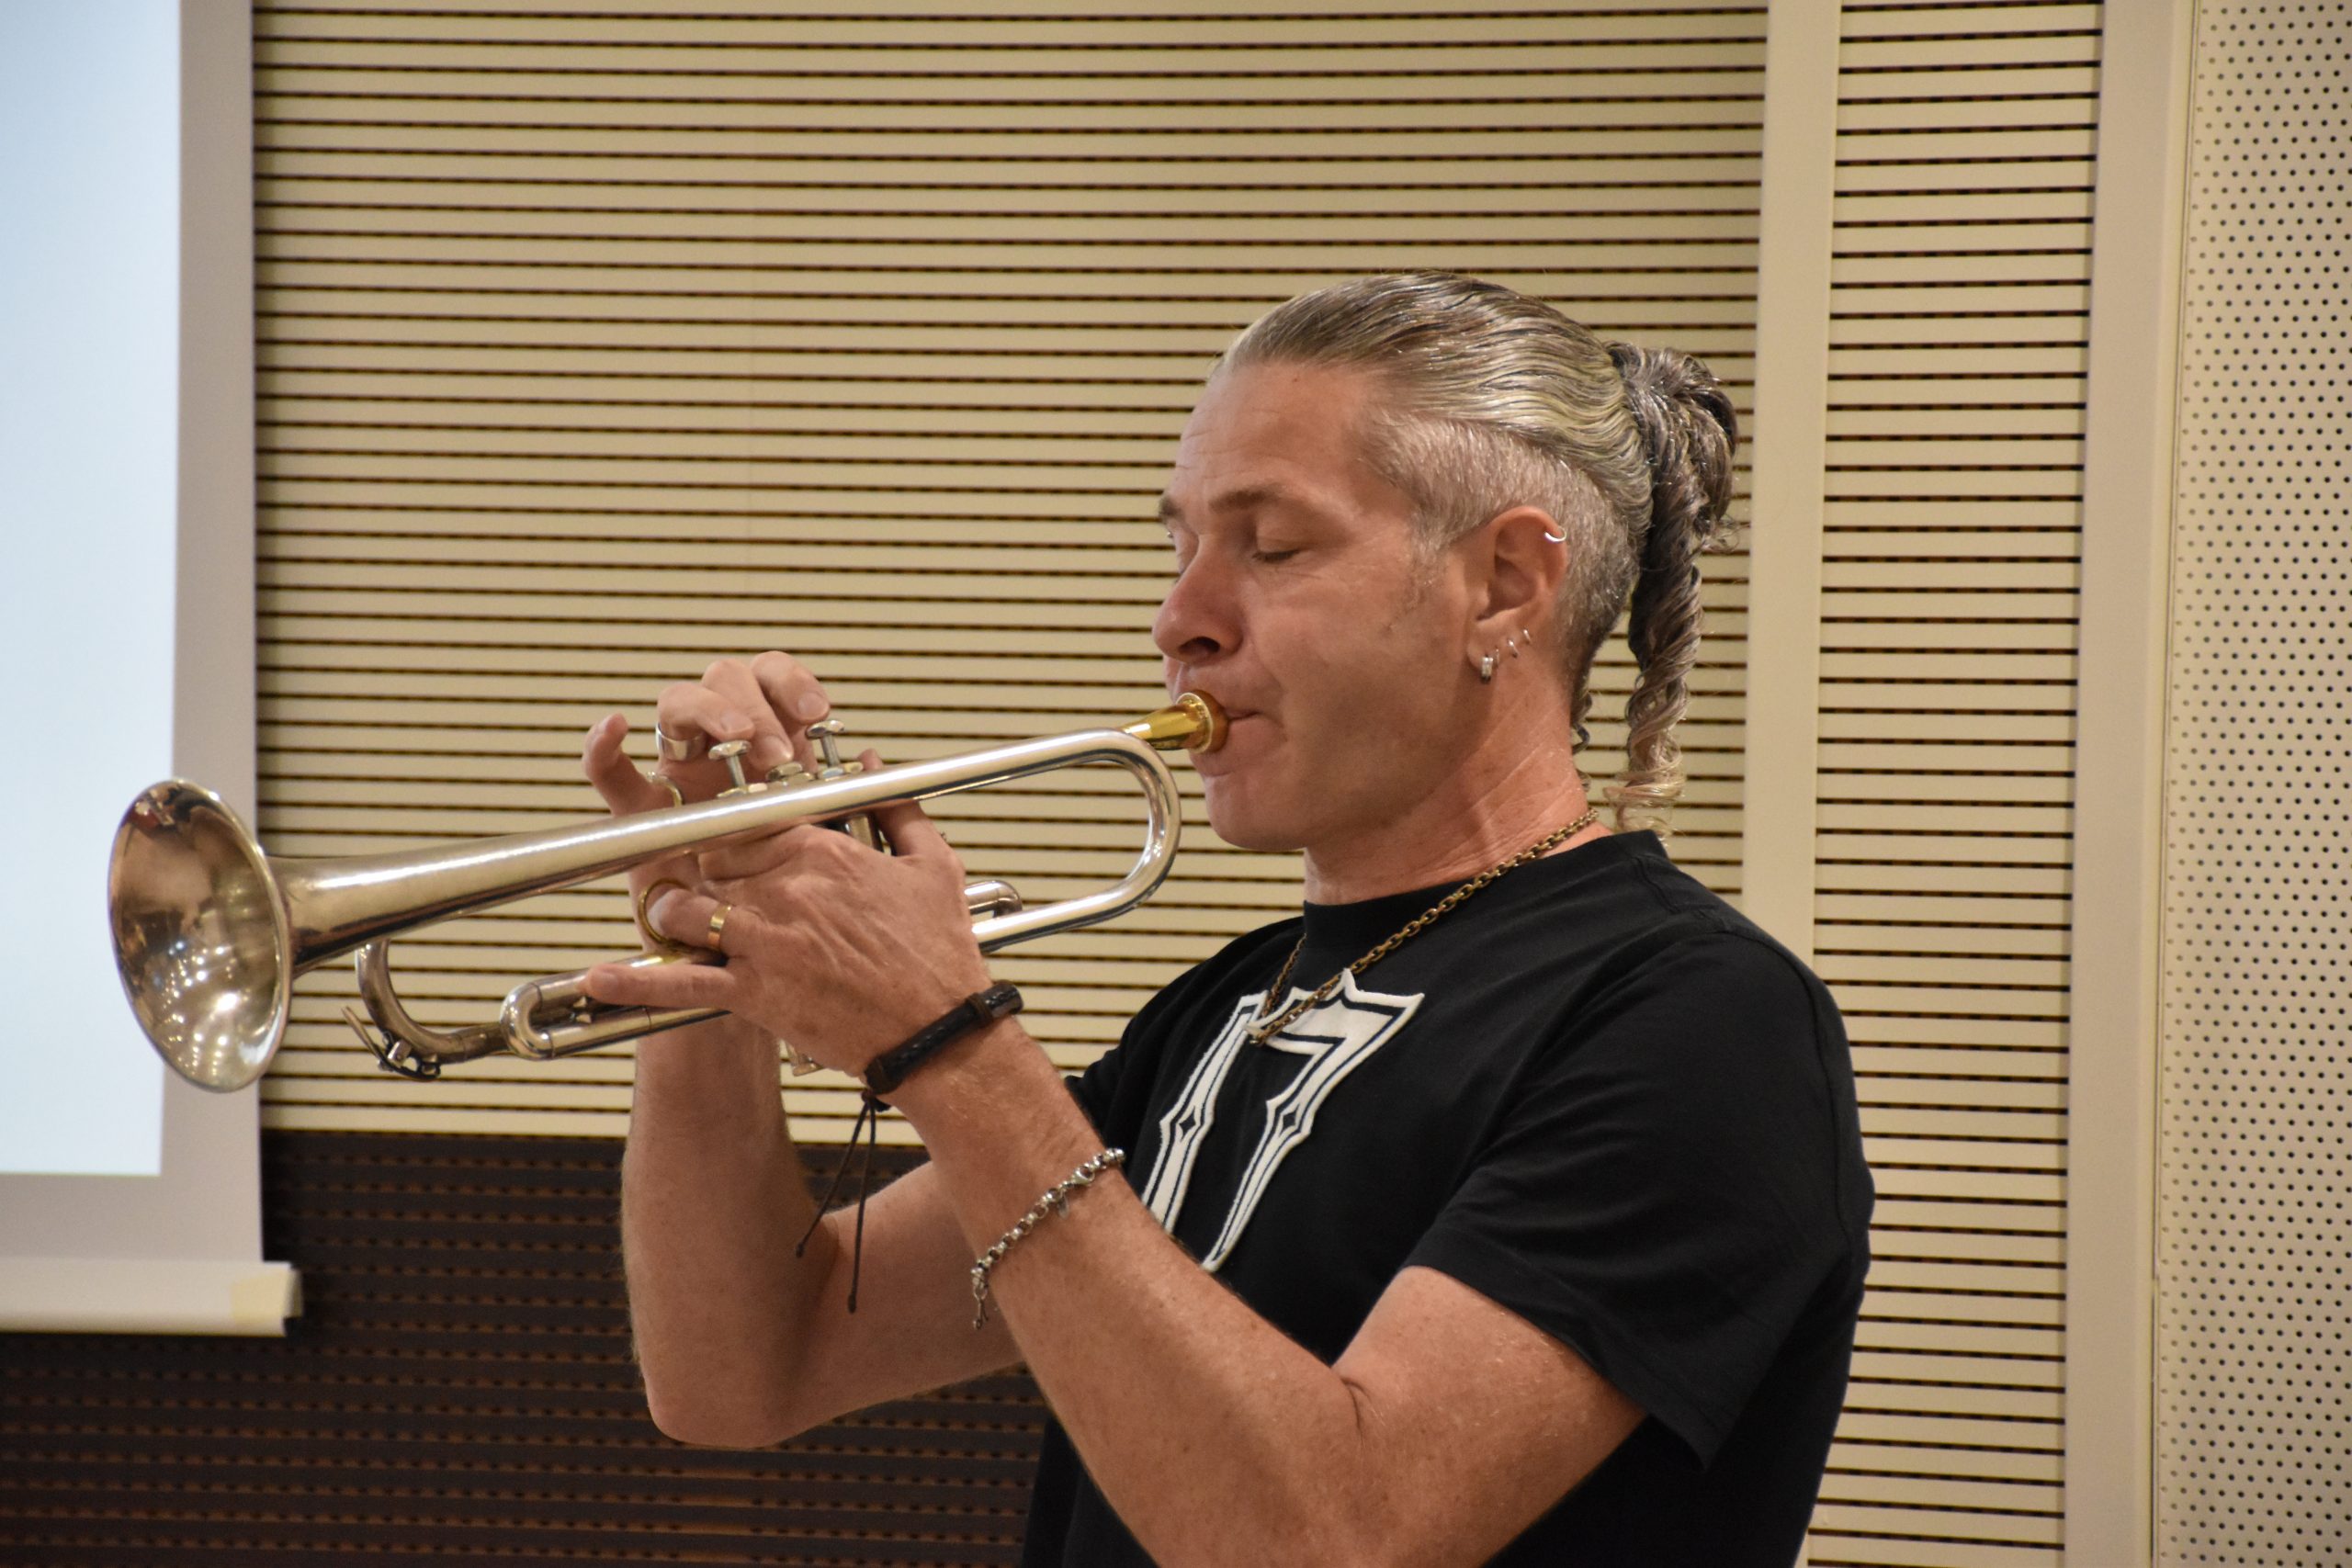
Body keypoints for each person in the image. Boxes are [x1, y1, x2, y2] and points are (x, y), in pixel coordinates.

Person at [579, 272, 1874, 1567]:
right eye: (1179, 546)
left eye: (1272, 546)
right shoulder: (1228, 1003)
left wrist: (954, 1044)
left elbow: (1333, 1535)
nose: (1178, 620)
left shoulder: (1699, 1021)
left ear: (1504, 582)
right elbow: (749, 1366)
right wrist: (712, 947)